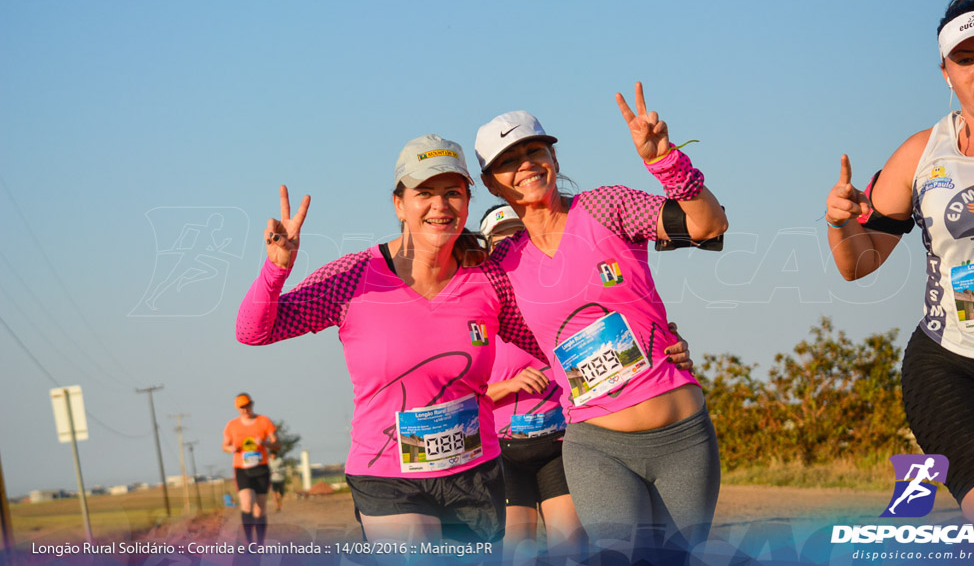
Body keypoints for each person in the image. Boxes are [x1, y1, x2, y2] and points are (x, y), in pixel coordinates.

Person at [235, 135, 548, 547]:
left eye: (452, 193)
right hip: (387, 477)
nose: (440, 205)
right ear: (399, 204)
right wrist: (276, 271)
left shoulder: (487, 279)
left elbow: (547, 341)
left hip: (475, 473)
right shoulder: (353, 277)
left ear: (467, 203)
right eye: (425, 193)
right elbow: (254, 331)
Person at [475, 88, 728, 557]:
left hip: (682, 436)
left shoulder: (603, 207)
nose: (526, 164)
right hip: (596, 445)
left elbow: (708, 225)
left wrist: (666, 161)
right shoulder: (504, 264)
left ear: (553, 155)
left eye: (534, 150)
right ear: (492, 184)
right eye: (509, 161)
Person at [825, 0, 974, 548]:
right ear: (946, 73)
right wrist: (840, 221)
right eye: (966, 59)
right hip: (956, 370)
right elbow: (859, 265)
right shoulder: (922, 154)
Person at [480, 205, 696, 561]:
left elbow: (623, 332)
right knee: (518, 553)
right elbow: (459, 394)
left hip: (561, 441)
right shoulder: (488, 320)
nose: (512, 246)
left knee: (573, 551)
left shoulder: (557, 306)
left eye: (518, 235)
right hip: (506, 448)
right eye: (501, 240)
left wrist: (666, 346)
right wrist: (511, 384)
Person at [222, 392, 279, 545]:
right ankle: (249, 543)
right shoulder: (232, 425)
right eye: (241, 407)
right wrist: (231, 448)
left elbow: (277, 444)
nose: (245, 410)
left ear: (252, 404)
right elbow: (225, 445)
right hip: (242, 469)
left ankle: (260, 543)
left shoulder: (264, 421)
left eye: (247, 406)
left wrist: (264, 443)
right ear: (237, 408)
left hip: (261, 469)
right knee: (246, 503)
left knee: (260, 509)